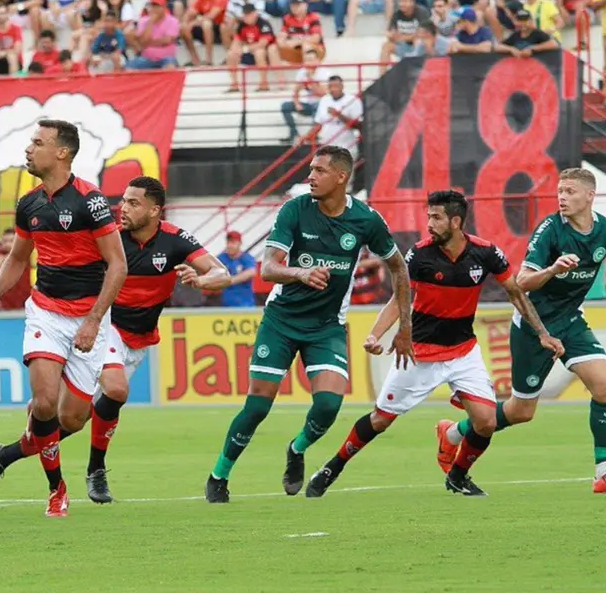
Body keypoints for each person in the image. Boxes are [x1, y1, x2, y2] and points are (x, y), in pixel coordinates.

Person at [0, 177, 230, 503]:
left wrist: (203, 278)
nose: (124, 208)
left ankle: (5, 455)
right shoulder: (110, 237)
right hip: (103, 325)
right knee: (117, 388)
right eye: (123, 200)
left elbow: (221, 273)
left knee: (73, 420)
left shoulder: (175, 239)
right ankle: (96, 470)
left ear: (155, 211)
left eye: (134, 203)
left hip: (139, 338)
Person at [305, 190, 562, 499]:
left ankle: (458, 475)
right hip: (420, 354)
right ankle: (333, 467)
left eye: (436, 217)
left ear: (455, 221)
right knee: (380, 420)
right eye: (428, 216)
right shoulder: (420, 255)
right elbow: (398, 298)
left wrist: (542, 333)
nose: (429, 223)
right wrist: (376, 334)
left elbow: (516, 292)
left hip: (463, 351)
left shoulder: (486, 253)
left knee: (486, 422)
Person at [204, 145, 412, 503]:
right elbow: (268, 268)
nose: (310, 177)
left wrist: (404, 327)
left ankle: (297, 449)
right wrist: (300, 272)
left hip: (327, 325)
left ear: (341, 177)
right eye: (310, 170)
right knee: (257, 406)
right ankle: (219, 475)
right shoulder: (295, 209)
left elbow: (399, 268)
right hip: (282, 320)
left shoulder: (366, 220)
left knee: (329, 405)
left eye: (319, 171)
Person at [0, 120, 127, 518]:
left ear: (62, 152)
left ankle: (5, 455)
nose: (28, 149)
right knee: (43, 404)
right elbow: (19, 258)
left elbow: (118, 264)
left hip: (88, 318)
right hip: (46, 313)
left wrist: (93, 320)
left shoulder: (90, 202)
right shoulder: (29, 204)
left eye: (38, 143)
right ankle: (57, 490)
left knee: (70, 418)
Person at [440, 169, 606, 493]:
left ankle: (602, 472)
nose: (562, 197)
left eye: (570, 191)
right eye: (560, 191)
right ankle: (452, 434)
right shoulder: (550, 231)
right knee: (521, 411)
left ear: (590, 195)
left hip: (570, 321)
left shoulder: (602, 229)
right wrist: (553, 269)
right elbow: (521, 283)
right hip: (534, 325)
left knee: (604, 387)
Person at [218, 230, 256, 307]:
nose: (230, 245)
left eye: (233, 242)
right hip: (226, 306)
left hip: (246, 306)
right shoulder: (222, 258)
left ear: (240, 243)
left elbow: (251, 272)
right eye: (228, 242)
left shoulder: (246, 258)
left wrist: (229, 281)